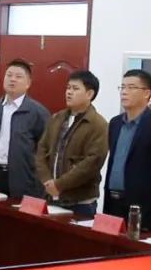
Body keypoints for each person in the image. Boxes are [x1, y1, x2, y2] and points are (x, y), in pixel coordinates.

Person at [104, 69, 151, 231]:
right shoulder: (115, 123)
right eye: (122, 87)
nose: (124, 92)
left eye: (131, 87)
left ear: (146, 93)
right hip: (113, 202)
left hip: (144, 208)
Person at [36, 70, 109, 218]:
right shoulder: (57, 118)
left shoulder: (98, 124)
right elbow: (41, 150)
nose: (69, 92)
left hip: (80, 203)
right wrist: (46, 180)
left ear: (89, 94)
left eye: (75, 89)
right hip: (50, 196)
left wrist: (59, 185)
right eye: (68, 88)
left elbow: (91, 163)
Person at [0, 60, 50, 198]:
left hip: (25, 179)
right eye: (9, 75)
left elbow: (46, 149)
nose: (12, 79)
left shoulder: (38, 112)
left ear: (28, 83)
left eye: (18, 76)